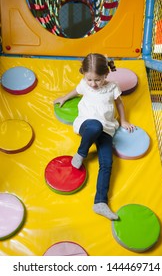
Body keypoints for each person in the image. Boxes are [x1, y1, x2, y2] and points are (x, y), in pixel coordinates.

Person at [54, 53, 135, 220]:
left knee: (107, 162)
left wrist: (124, 120)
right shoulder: (85, 84)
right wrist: (64, 97)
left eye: (97, 80)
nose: (93, 84)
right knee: (95, 125)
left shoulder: (112, 87)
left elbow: (119, 103)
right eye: (89, 79)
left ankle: (100, 202)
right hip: (87, 125)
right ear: (84, 75)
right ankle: (81, 153)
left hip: (106, 128)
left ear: (106, 74)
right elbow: (76, 91)